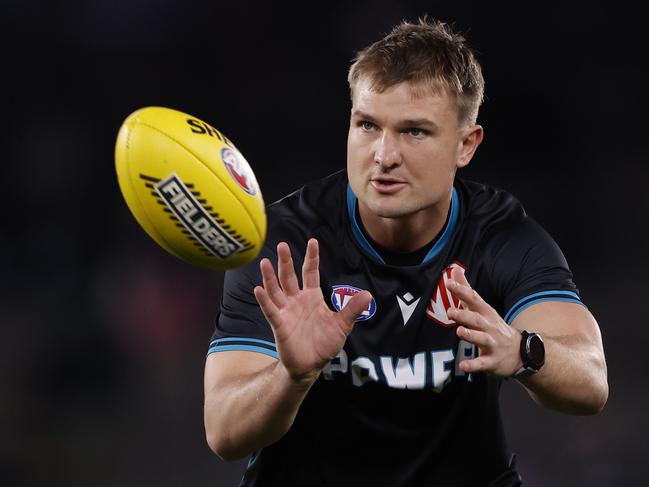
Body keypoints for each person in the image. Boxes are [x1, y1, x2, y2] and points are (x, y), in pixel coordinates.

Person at [203, 18, 608, 486]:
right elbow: (223, 433)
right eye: (368, 125)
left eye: (414, 131)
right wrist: (292, 377)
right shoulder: (287, 244)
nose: (384, 154)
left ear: (466, 145)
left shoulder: (499, 238)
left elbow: (592, 382)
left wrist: (522, 351)